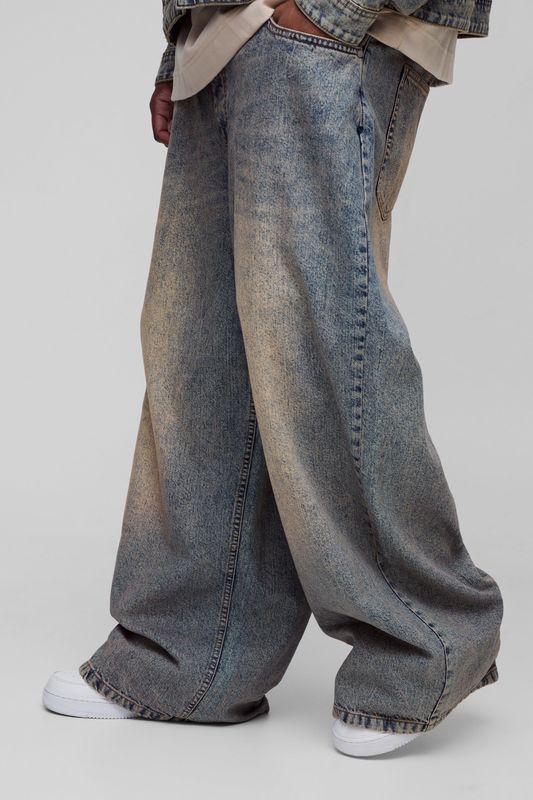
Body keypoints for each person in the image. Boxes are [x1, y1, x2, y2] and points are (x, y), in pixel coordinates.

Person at [42, 0, 504, 758]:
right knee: (196, 354)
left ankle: (426, 641)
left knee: (321, 343)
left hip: (330, 29)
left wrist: (328, 11)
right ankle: (189, 657)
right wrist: (181, 45)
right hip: (221, 33)